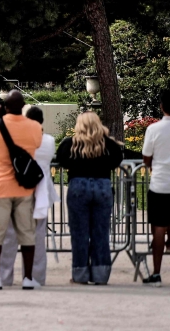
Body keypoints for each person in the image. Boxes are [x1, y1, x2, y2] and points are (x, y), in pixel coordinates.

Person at [0, 89, 43, 290]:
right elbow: (37, 144)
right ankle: (28, 278)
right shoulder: (33, 127)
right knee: (27, 234)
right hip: (24, 188)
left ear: (4, 106)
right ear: (23, 107)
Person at [56, 111, 123, 284]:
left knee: (79, 233)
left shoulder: (70, 144)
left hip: (78, 185)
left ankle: (80, 274)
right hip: (102, 185)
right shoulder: (109, 145)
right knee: (100, 232)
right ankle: (101, 274)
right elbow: (117, 159)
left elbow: (62, 159)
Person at [0, 106, 58, 286]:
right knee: (37, 237)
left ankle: (4, 276)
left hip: (15, 189)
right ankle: (35, 277)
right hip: (40, 191)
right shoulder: (48, 140)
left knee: (9, 235)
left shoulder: (17, 139)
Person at [141, 90, 170, 286]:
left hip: (160, 183)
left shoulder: (154, 129)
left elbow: (147, 157)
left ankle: (157, 273)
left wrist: (152, 166)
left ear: (162, 106)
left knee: (158, 229)